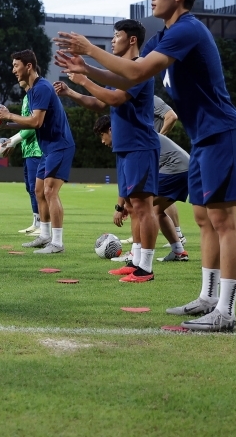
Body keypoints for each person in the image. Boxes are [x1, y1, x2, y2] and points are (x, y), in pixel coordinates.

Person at [55, 0, 236, 332]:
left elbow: (137, 70)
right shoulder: (168, 35)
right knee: (204, 219)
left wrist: (90, 51)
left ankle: (226, 310)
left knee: (225, 221)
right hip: (203, 136)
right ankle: (208, 298)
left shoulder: (188, 28)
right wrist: (87, 68)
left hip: (222, 131)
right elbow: (133, 74)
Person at [54, 19, 160, 280]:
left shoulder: (138, 68)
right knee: (133, 208)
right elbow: (100, 103)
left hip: (140, 145)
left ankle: (145, 267)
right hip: (126, 148)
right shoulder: (122, 73)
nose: (112, 40)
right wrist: (72, 92)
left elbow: (114, 98)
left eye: (117, 35)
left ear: (132, 40)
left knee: (143, 207)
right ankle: (136, 261)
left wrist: (84, 78)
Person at [3, 50, 75, 254]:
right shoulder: (33, 90)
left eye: (16, 65)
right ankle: (44, 236)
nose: (13, 70)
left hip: (59, 145)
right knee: (39, 190)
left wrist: (9, 115)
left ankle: (58, 243)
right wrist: (5, 123)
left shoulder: (42, 88)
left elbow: (36, 121)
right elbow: (33, 123)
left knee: (50, 191)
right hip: (48, 148)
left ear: (29, 66)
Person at [93, 115, 189, 262]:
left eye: (102, 135)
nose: (102, 141)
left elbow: (124, 180)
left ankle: (135, 256)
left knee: (140, 207)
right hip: (186, 169)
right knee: (156, 210)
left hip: (175, 169)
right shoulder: (135, 132)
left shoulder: (127, 140)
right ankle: (178, 251)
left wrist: (120, 207)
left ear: (111, 130)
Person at [0, 77, 44, 235]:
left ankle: (44, 226)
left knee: (38, 189)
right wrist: (7, 125)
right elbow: (25, 123)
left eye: (17, 67)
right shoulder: (26, 98)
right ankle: (36, 223)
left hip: (37, 149)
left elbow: (33, 125)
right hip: (28, 150)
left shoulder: (35, 96)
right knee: (31, 188)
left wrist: (12, 141)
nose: (15, 73)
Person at [153, 96, 186, 248]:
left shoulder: (151, 99)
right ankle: (178, 244)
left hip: (162, 156)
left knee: (145, 205)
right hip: (158, 155)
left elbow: (171, 116)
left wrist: (157, 139)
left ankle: (138, 251)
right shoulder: (132, 101)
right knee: (156, 205)